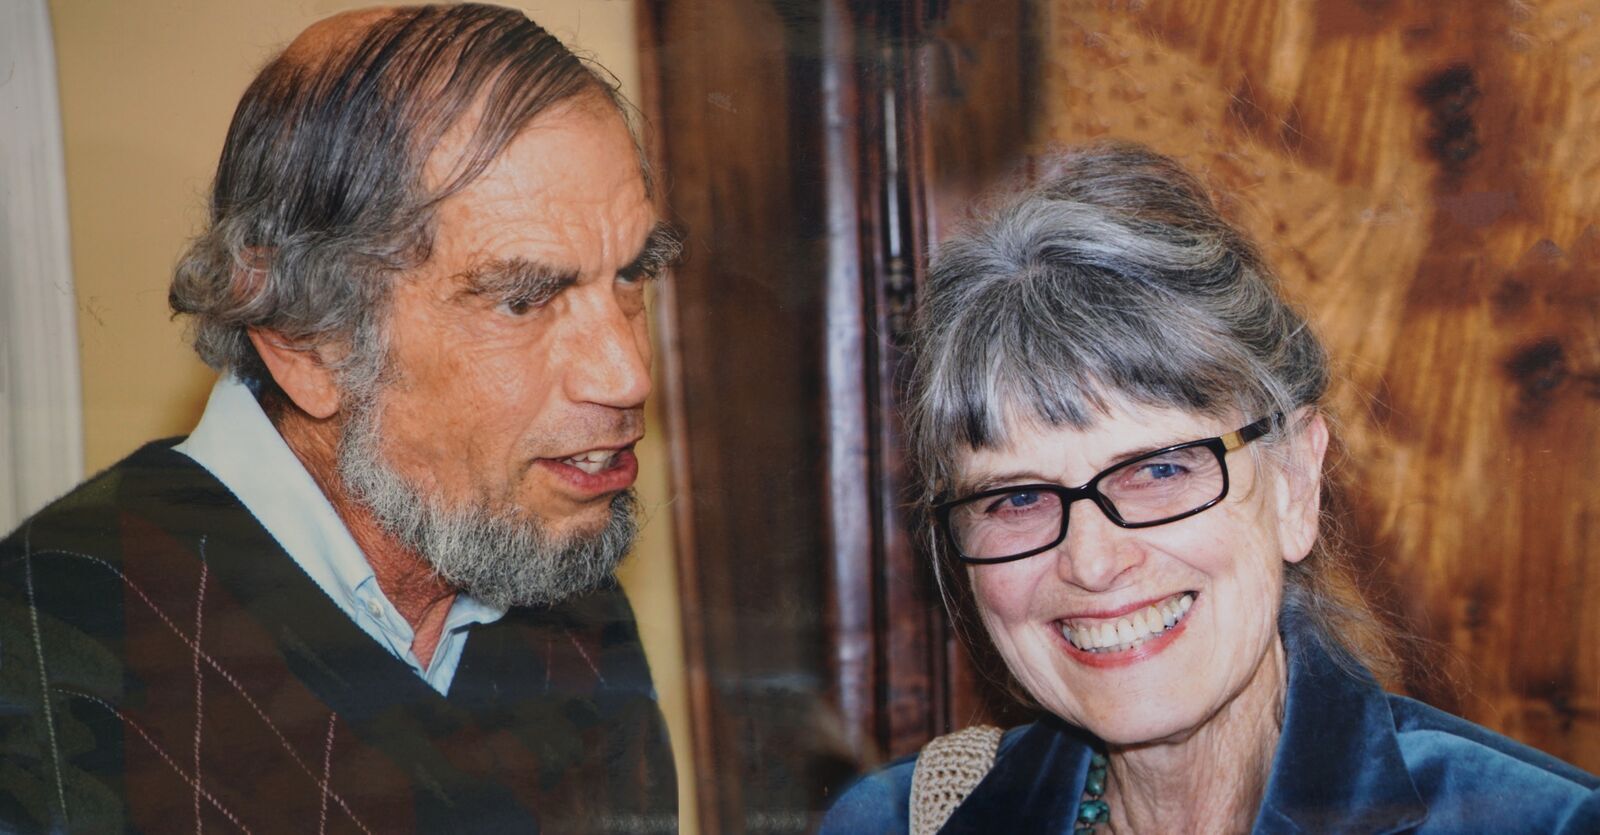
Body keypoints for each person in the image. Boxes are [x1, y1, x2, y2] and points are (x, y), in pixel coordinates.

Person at [0, 5, 680, 832]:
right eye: (525, 298)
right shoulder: (43, 656)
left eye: (632, 275)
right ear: (308, 342)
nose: (628, 373)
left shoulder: (566, 586)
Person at [821, 143, 1600, 833]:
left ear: (1294, 481)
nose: (1092, 561)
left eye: (1159, 469)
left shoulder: (1544, 823)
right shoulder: (893, 823)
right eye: (1017, 498)